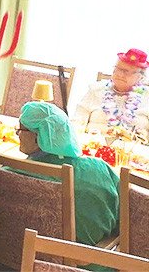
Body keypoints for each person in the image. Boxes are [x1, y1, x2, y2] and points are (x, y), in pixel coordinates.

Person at [17, 101, 119, 247]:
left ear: (39, 136)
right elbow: (126, 218)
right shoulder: (101, 169)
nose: (17, 134)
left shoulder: (14, 172)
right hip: (86, 262)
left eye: (21, 129)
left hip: (23, 257)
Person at [74, 48, 148, 136]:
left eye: (126, 72)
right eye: (118, 69)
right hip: (93, 145)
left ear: (140, 77)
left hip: (135, 148)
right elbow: (76, 123)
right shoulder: (95, 90)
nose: (120, 74)